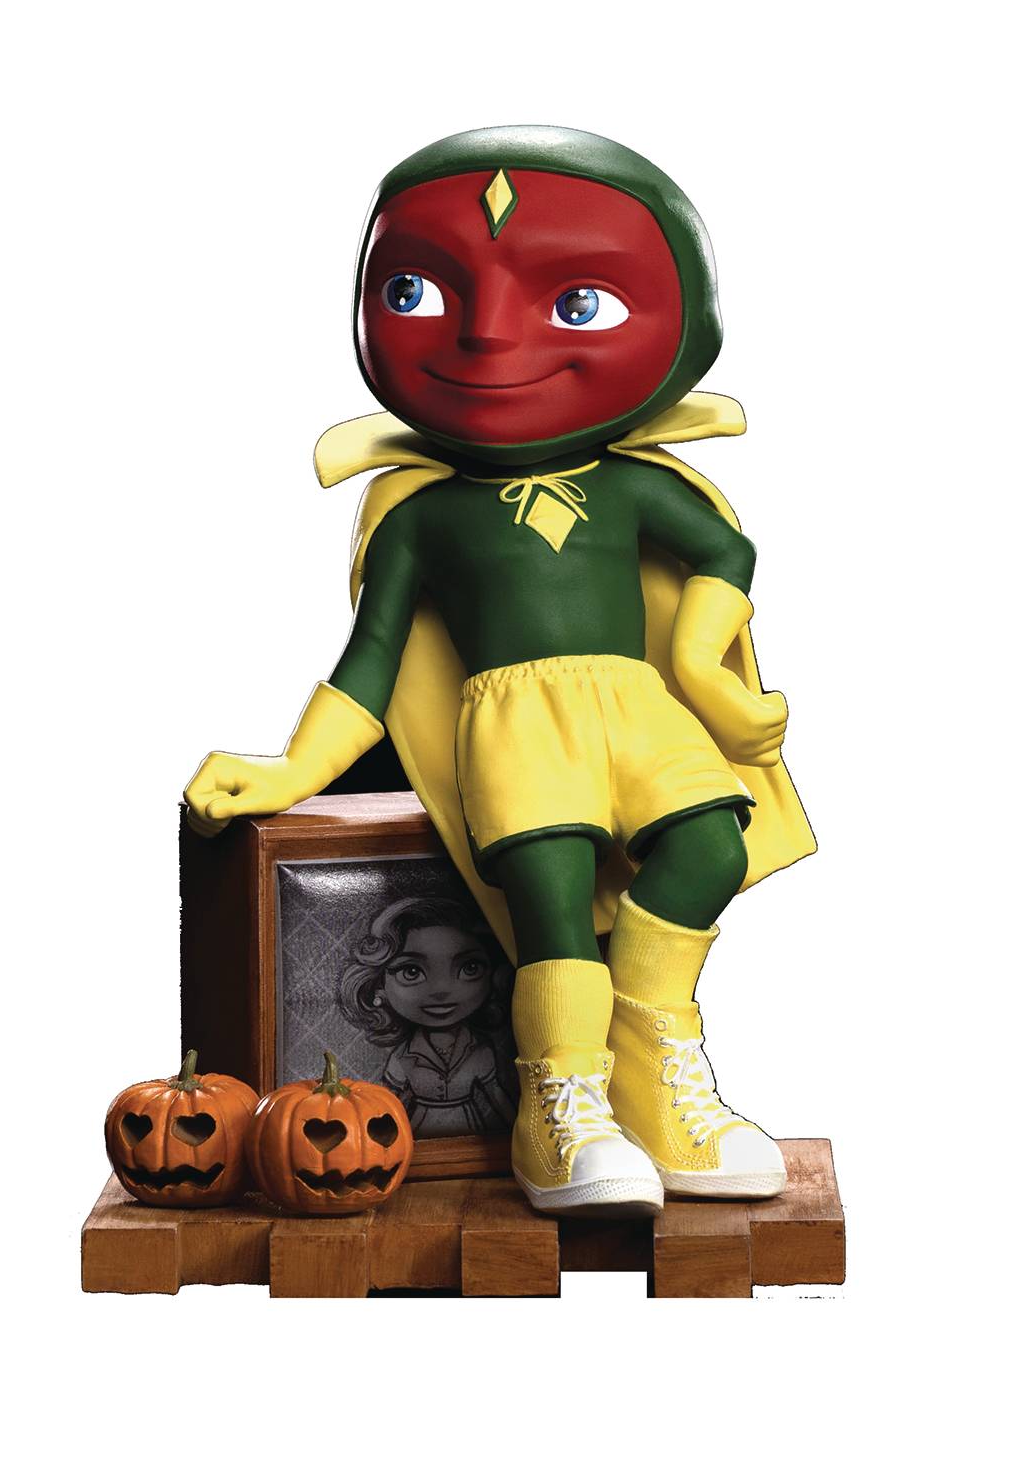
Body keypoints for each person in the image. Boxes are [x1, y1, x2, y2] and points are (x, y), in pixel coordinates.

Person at [185, 125, 816, 1217]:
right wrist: (291, 770)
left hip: (637, 703)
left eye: (576, 302)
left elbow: (726, 555)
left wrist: (702, 668)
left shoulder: (636, 488)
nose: (486, 335)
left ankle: (652, 1066)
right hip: (514, 727)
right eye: (419, 292)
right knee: (549, 902)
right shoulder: (422, 517)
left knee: (710, 843)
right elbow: (372, 662)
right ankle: (559, 1107)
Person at [338, 895, 516, 1137]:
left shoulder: (480, 1050)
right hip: (417, 1140)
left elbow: (497, 1098)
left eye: (469, 968)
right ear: (379, 986)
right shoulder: (403, 1058)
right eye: (411, 972)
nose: (441, 989)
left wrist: (519, 1136)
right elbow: (388, 1104)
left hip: (471, 1141)